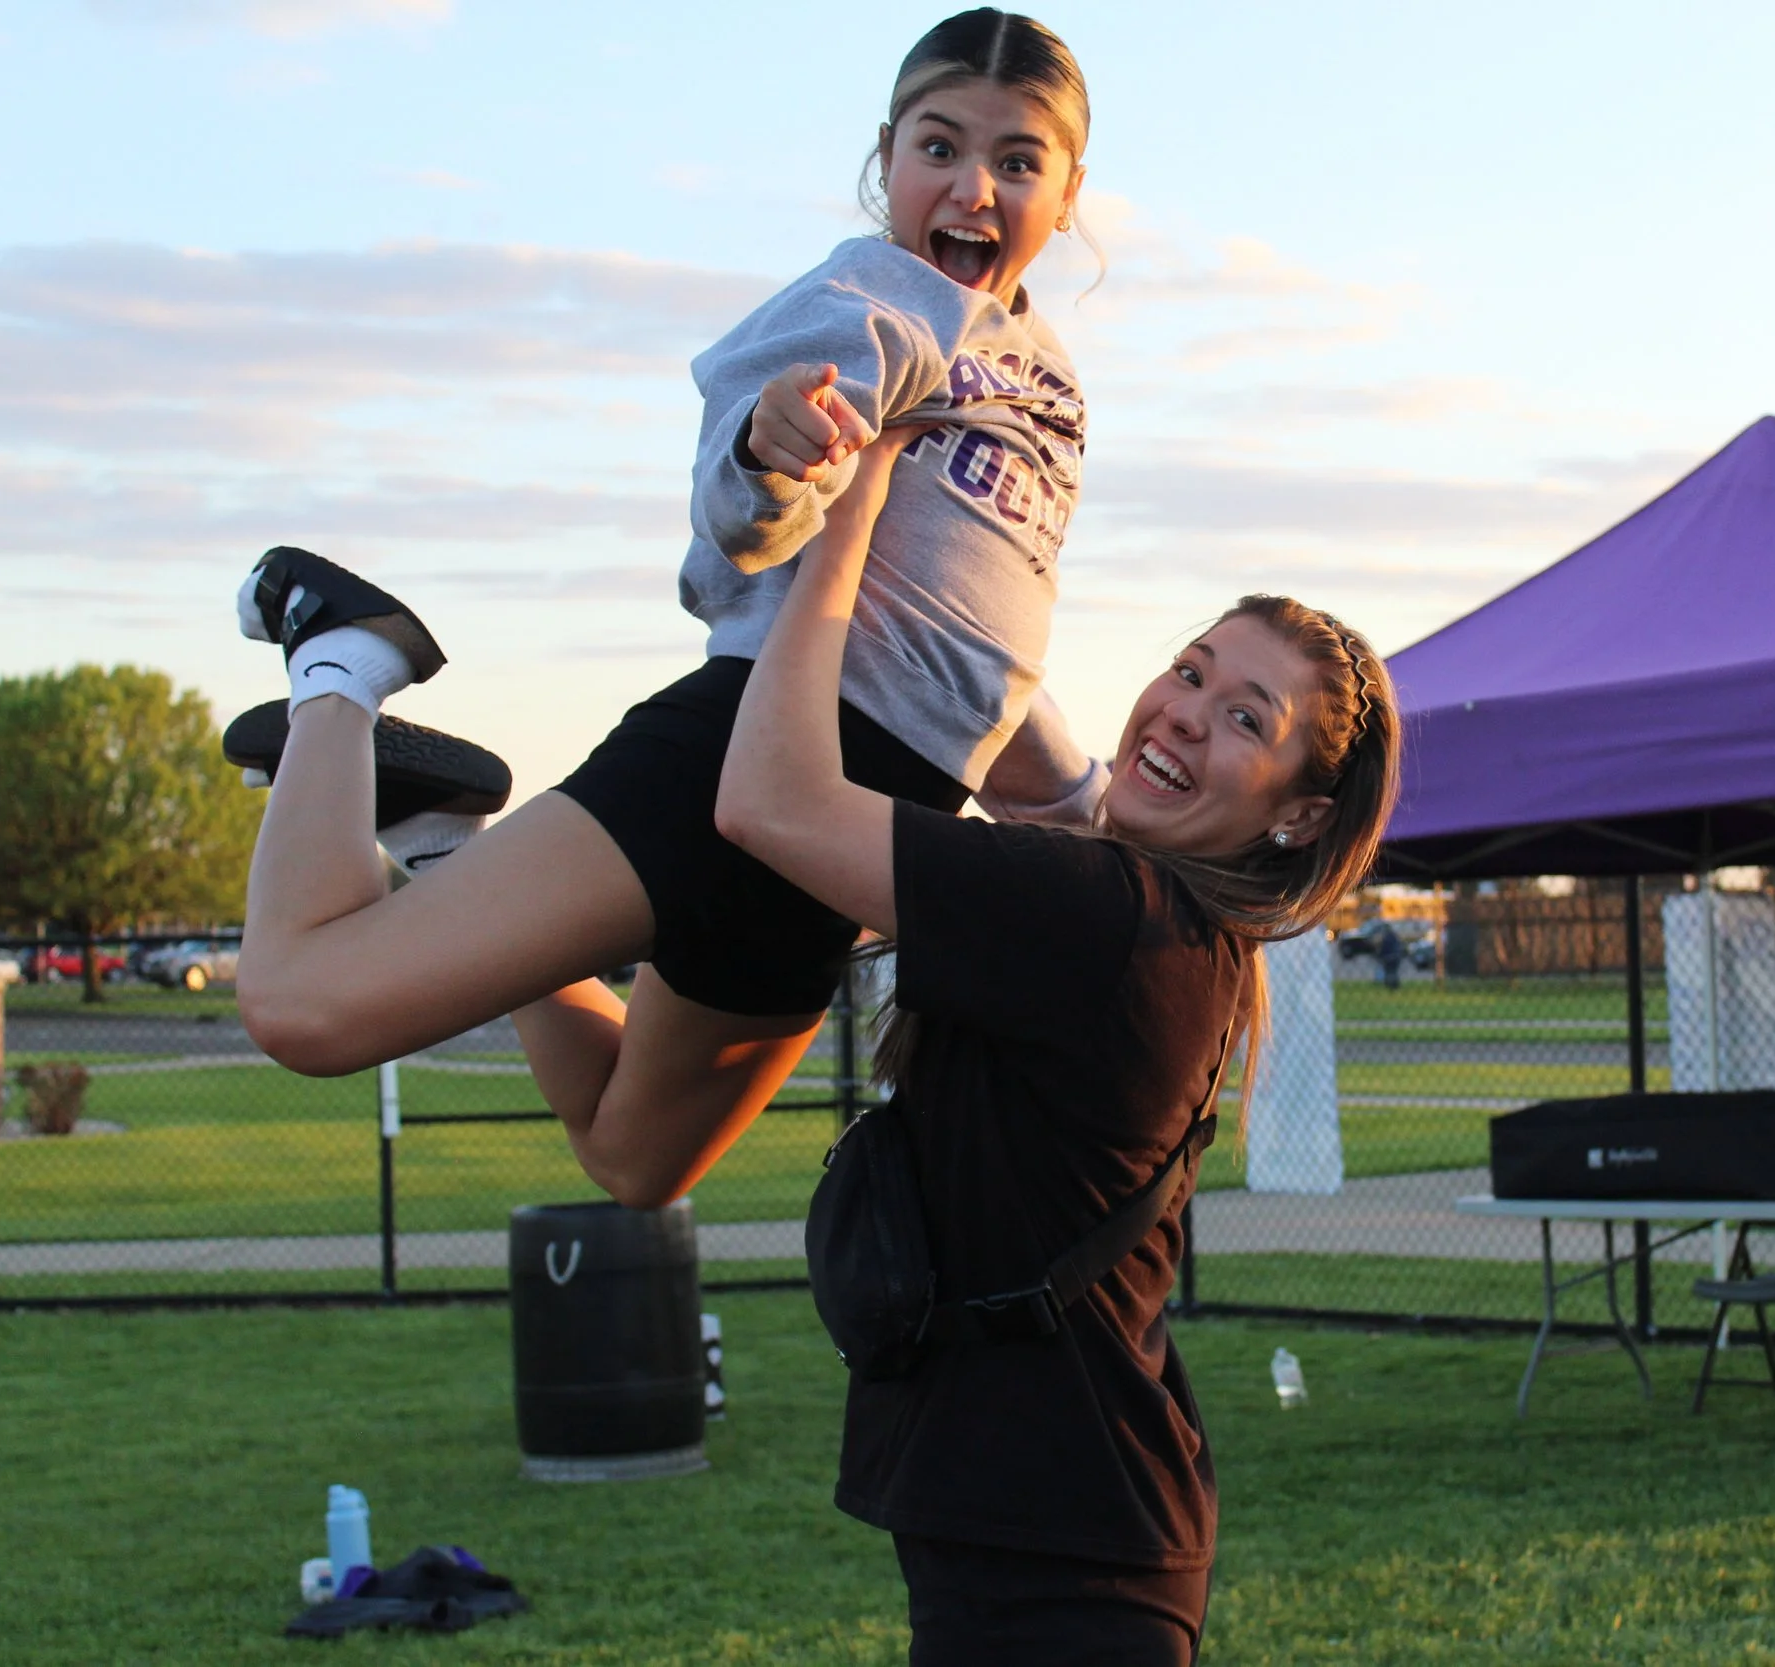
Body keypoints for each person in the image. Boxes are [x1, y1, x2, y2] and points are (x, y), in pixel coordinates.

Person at [227, 9, 1110, 1211]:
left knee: (638, 1160)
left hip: (847, 840)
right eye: (938, 147)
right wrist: (774, 452)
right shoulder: (878, 297)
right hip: (740, 763)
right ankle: (339, 653)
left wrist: (1084, 813)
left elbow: (983, 646)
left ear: (1067, 192)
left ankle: (441, 840)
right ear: (887, 161)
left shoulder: (1045, 376)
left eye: (1017, 160)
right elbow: (743, 519)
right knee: (302, 1006)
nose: (972, 186)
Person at [714, 430, 1402, 1665]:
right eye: (1189, 670)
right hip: (1064, 1526)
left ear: (1298, 814)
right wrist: (967, 562)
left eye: (1242, 716)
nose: (1183, 714)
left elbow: (767, 801)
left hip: (1063, 1565)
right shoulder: (1170, 918)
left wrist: (853, 513)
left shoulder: (1109, 915)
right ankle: (446, 843)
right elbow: (1054, 769)